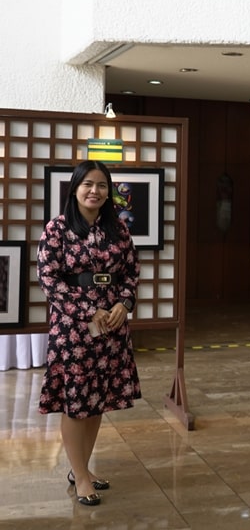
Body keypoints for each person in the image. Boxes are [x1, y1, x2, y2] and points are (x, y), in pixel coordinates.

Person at [36, 160, 141, 507]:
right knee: (75, 400)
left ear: (108, 191)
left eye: (101, 185)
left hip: (111, 324)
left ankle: (83, 467)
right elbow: (49, 279)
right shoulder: (58, 229)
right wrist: (85, 310)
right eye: (87, 185)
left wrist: (124, 304)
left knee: (98, 398)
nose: (94, 191)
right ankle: (80, 475)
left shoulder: (119, 229)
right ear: (75, 189)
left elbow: (131, 271)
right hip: (73, 328)